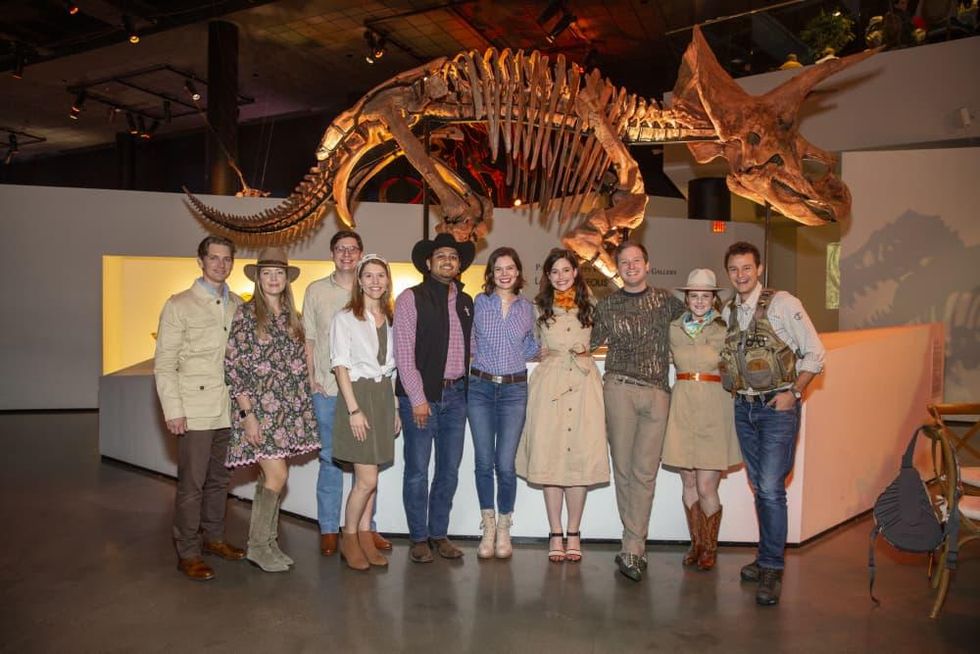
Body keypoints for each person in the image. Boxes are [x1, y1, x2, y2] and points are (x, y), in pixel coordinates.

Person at [721, 241, 825, 606]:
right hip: (744, 407)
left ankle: (772, 567)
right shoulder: (729, 310)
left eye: (747, 268)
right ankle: (766, 557)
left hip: (776, 407)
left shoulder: (784, 304)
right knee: (759, 484)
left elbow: (815, 354)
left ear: (759, 268)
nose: (741, 275)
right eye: (734, 269)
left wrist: (795, 394)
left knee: (769, 487)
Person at [590, 241, 685, 582]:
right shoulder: (608, 306)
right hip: (619, 390)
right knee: (625, 471)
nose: (631, 266)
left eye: (636, 260)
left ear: (648, 264)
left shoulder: (667, 302)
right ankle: (633, 548)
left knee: (646, 473)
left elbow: (698, 326)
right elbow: (584, 343)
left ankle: (633, 545)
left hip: (658, 394)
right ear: (617, 268)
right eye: (624, 262)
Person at [154, 235, 245, 581]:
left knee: (220, 479)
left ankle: (215, 538)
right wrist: (173, 409)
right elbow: (165, 364)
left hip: (229, 408)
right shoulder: (179, 305)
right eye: (214, 258)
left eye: (227, 259)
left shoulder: (238, 303)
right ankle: (188, 551)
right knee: (191, 483)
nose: (220, 264)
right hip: (194, 408)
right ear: (201, 261)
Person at [225, 247, 320, 573]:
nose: (274, 278)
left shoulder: (293, 317)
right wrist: (247, 414)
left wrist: (311, 387)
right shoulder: (247, 313)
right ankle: (256, 546)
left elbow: (299, 363)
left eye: (279, 273)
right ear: (258, 278)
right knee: (277, 474)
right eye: (267, 273)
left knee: (275, 475)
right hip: (259, 410)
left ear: (287, 279)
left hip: (287, 410)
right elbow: (234, 366)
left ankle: (267, 543)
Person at [303, 231, 391, 557]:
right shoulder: (316, 292)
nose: (346, 254)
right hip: (328, 389)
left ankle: (365, 530)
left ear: (361, 253)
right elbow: (309, 339)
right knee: (331, 461)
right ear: (332, 254)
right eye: (340, 249)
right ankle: (330, 528)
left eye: (353, 249)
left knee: (368, 466)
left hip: (368, 392)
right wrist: (310, 378)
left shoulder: (374, 297)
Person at [517, 248, 608, 564]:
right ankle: (555, 532)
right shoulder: (537, 306)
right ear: (547, 276)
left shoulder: (592, 304)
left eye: (566, 270)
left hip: (584, 383)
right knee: (550, 457)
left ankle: (574, 532)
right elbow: (526, 340)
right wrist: (534, 352)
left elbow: (603, 336)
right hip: (550, 382)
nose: (560, 277)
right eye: (554, 271)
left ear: (575, 272)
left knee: (580, 459)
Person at [394, 232, 475, 563]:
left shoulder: (466, 302)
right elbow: (403, 353)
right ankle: (418, 538)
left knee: (449, 470)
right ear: (428, 263)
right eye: (441, 255)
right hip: (422, 397)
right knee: (416, 470)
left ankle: (439, 533)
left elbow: (475, 348)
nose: (447, 260)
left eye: (453, 257)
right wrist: (417, 398)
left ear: (458, 266)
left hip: (457, 396)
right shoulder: (410, 298)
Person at [661, 268, 741, 572]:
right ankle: (696, 544)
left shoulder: (725, 328)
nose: (698, 301)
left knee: (708, 484)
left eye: (704, 296)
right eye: (693, 296)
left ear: (713, 299)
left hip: (713, 405)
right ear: (686, 298)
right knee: (689, 480)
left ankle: (710, 547)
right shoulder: (673, 328)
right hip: (682, 404)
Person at [330, 254, 400, 571]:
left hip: (383, 397)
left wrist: (396, 407)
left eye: (380, 276)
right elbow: (340, 367)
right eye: (368, 276)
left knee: (372, 478)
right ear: (359, 281)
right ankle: (348, 537)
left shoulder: (391, 318)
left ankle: (364, 535)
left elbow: (392, 370)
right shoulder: (345, 318)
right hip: (357, 397)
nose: (375, 281)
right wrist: (354, 410)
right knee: (366, 479)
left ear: (387, 281)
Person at [468, 247, 538, 559]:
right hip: (480, 388)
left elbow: (531, 346)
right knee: (483, 462)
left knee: (505, 464)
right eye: (498, 269)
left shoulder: (528, 308)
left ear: (518, 272)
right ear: (491, 274)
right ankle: (489, 525)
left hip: (513, 391)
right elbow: (469, 343)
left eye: (510, 268)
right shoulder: (478, 303)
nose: (504, 274)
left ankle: (505, 526)